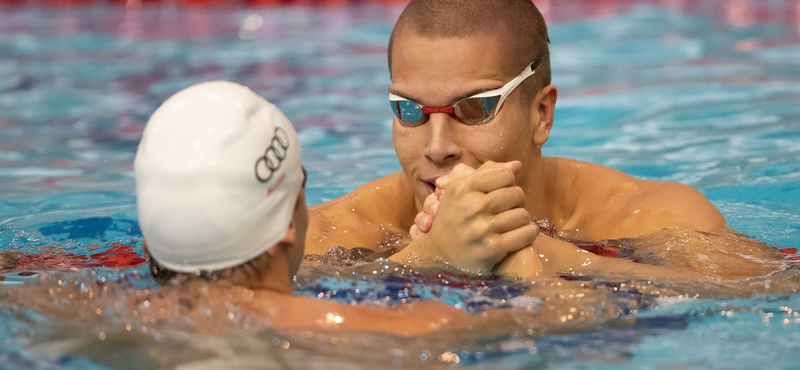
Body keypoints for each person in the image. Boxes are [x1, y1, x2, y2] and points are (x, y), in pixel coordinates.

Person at [305, 0, 778, 278]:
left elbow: (768, 293)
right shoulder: (333, 235)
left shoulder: (656, 217)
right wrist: (425, 259)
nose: (436, 146)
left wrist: (545, 255)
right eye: (410, 111)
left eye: (474, 107)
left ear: (542, 114)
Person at [133, 80, 573, 336]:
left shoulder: (91, 310)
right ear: (288, 220)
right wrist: (514, 256)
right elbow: (576, 322)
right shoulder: (392, 330)